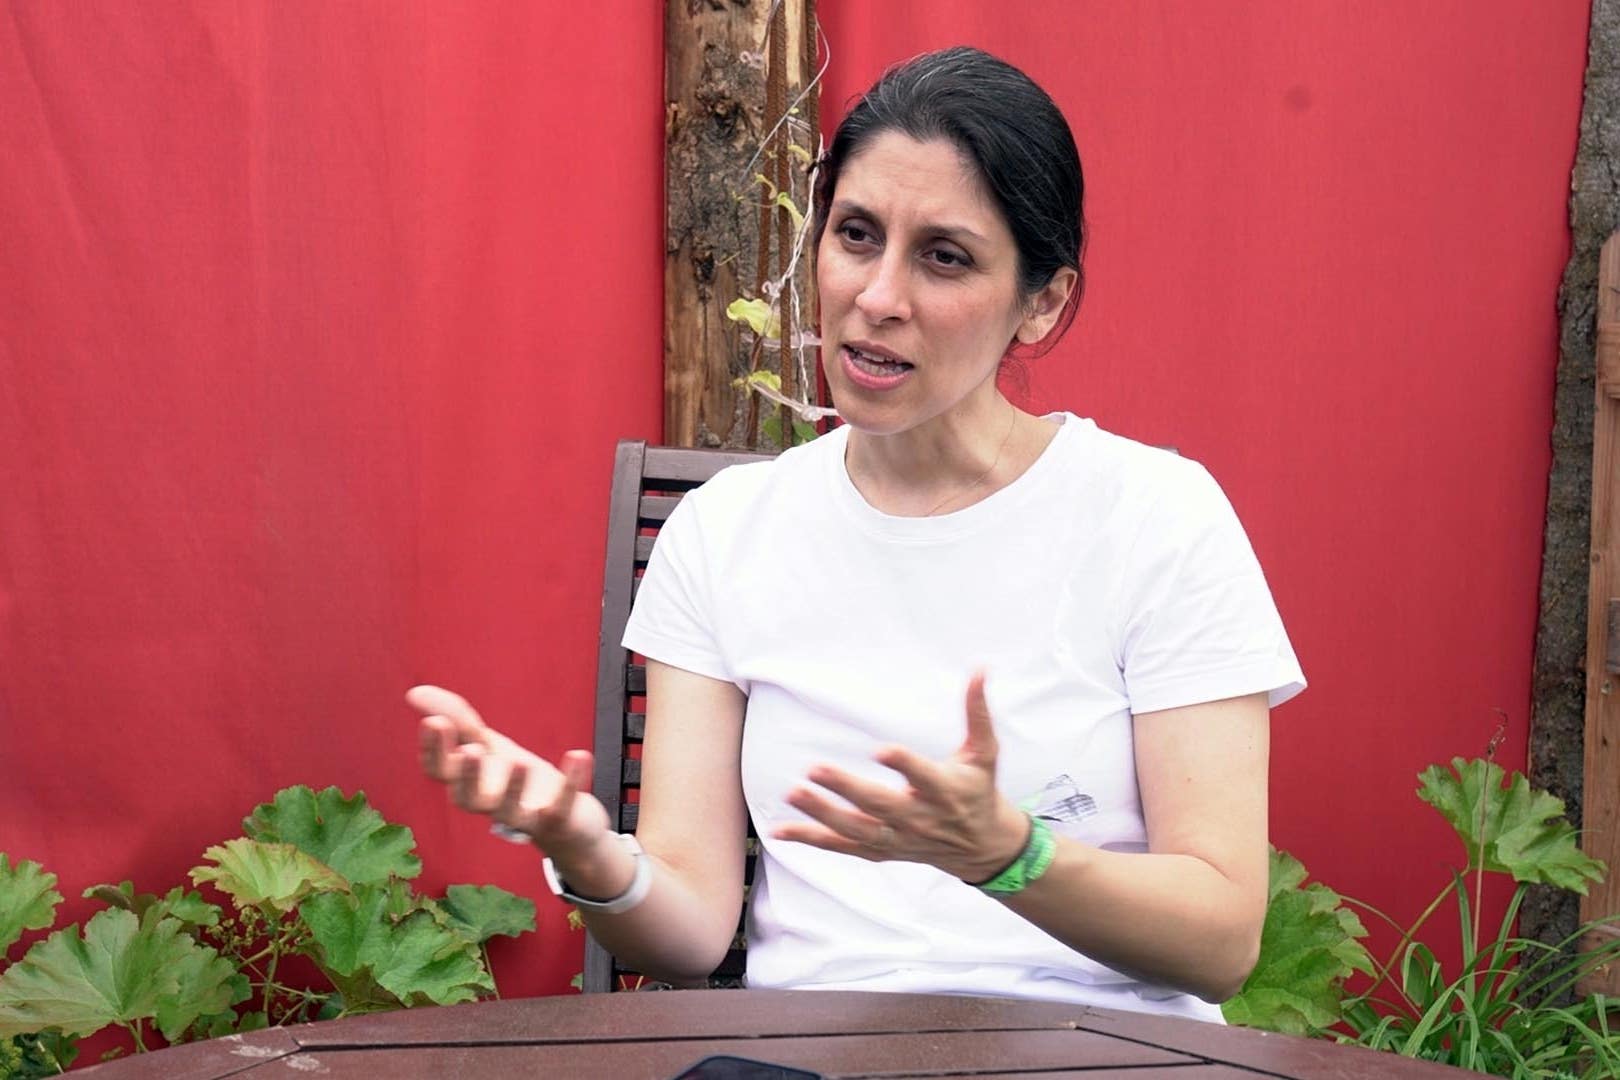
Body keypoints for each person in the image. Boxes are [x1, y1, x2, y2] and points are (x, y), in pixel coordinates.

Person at [409, 46, 1304, 1023]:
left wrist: (1011, 856)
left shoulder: (1155, 517)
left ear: (1040, 303)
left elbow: (1220, 941)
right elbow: (694, 924)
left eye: (944, 256)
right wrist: (588, 853)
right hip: (812, 1055)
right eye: (858, 235)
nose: (878, 298)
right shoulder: (727, 533)